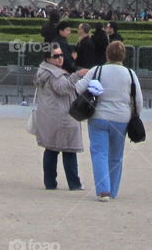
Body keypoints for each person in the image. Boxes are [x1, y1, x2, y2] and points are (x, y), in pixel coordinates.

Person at [77, 40, 142, 200]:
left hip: (98, 116)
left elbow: (79, 88)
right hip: (121, 118)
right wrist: (136, 116)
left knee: (99, 153)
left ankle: (103, 190)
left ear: (107, 54)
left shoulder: (97, 70)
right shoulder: (130, 74)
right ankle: (112, 190)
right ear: (124, 56)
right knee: (116, 156)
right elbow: (138, 99)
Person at [33, 43, 88, 190]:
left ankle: (50, 183)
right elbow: (63, 89)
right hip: (62, 115)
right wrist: (78, 75)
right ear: (47, 58)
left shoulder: (43, 71)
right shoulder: (54, 74)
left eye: (61, 55)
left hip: (49, 115)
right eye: (55, 56)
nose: (60, 59)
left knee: (51, 149)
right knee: (69, 149)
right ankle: (74, 183)